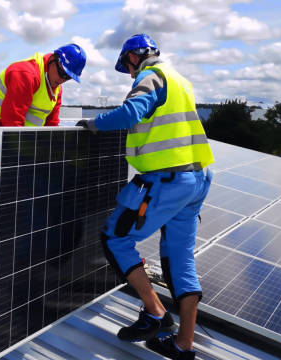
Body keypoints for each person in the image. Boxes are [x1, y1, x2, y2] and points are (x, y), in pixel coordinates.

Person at [77, 34, 214, 360]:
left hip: (169, 179)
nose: (128, 73)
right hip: (200, 177)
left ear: (133, 57)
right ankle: (183, 346)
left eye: (126, 66)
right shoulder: (179, 80)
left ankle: (155, 312)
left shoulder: (150, 77)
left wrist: (94, 124)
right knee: (180, 259)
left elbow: (131, 113)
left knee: (114, 238)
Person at [0, 43, 87, 162]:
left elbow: (51, 125)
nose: (62, 80)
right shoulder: (25, 74)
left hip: (24, 136)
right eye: (62, 73)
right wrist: (35, 153)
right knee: (17, 172)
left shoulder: (57, 90)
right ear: (54, 59)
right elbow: (12, 122)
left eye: (68, 77)